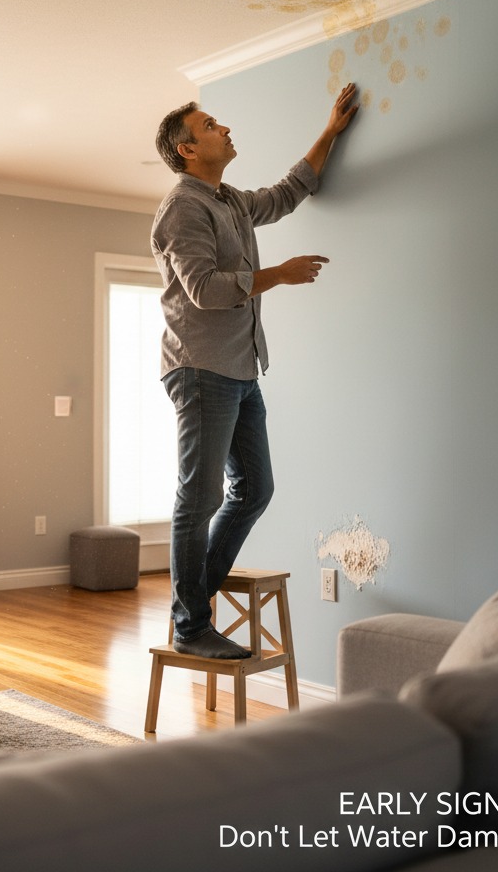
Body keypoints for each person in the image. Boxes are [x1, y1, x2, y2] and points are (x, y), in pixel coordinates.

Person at [150, 83, 359, 658]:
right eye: (210, 125)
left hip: (240, 370)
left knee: (255, 488)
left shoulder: (231, 202)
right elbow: (203, 289)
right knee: (199, 497)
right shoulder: (183, 208)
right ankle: (190, 627)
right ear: (188, 150)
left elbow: (289, 192)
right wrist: (279, 275)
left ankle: (194, 602)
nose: (224, 128)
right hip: (200, 369)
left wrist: (330, 131)